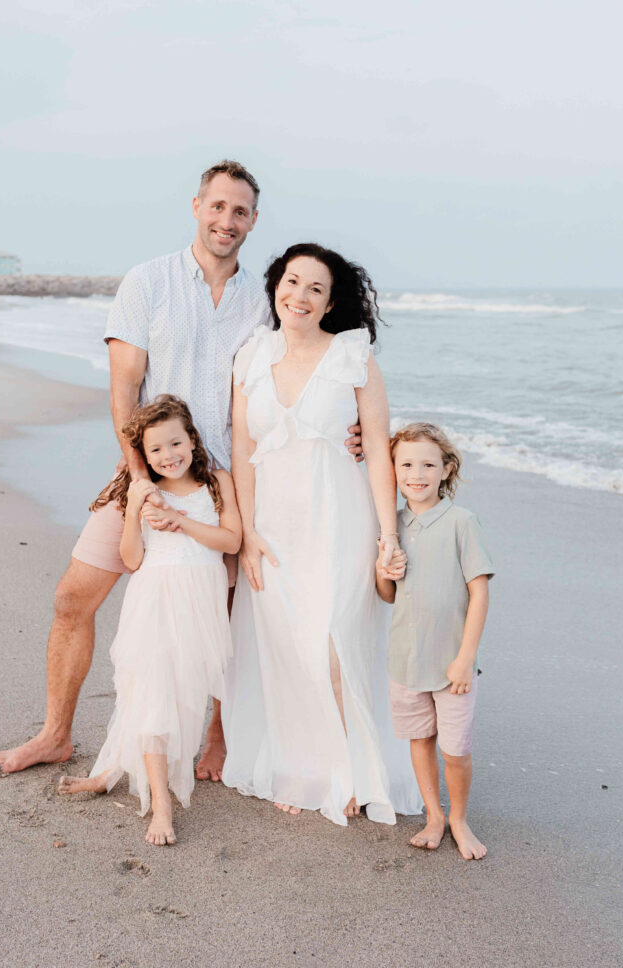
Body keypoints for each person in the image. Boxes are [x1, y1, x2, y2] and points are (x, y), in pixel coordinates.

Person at [0, 160, 268, 780]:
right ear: (196, 206)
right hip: (142, 474)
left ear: (253, 220)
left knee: (223, 620)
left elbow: (286, 384)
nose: (227, 220)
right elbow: (125, 390)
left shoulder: (263, 302)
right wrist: (139, 479)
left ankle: (215, 742)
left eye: (240, 211)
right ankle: (55, 734)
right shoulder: (148, 282)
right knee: (71, 599)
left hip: (221, 487)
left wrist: (353, 431)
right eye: (217, 206)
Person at [222, 243, 422, 825]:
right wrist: (249, 533)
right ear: (275, 288)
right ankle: (304, 765)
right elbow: (242, 448)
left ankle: (352, 769)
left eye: (315, 287)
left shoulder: (352, 356)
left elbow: (380, 455)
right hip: (274, 525)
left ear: (331, 301)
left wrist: (389, 536)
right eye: (291, 282)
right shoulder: (252, 355)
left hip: (339, 517)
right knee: (286, 644)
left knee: (335, 641)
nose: (299, 296)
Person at [58, 395, 242, 845]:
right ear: (144, 454)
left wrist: (181, 521)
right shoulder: (144, 490)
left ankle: (109, 771)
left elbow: (232, 540)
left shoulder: (217, 481)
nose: (168, 455)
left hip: (200, 605)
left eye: (175, 443)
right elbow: (131, 559)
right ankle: (161, 806)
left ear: (192, 441)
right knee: (151, 693)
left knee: (181, 697)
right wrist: (138, 508)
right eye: (156, 450)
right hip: (154, 601)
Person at [377, 423, 494, 859]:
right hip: (406, 660)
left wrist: (466, 658)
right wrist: (382, 570)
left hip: (452, 664)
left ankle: (459, 818)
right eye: (405, 464)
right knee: (420, 739)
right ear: (393, 470)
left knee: (456, 748)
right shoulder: (394, 526)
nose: (416, 473)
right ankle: (433, 815)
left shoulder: (463, 522)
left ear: (446, 469)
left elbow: (479, 592)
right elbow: (388, 596)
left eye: (428, 464)